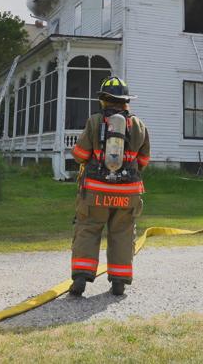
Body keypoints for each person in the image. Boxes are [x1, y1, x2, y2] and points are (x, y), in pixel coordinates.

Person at [69, 76, 151, 296]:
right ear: (126, 101)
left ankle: (80, 279)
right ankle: (118, 282)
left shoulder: (94, 121)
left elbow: (80, 155)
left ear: (104, 100)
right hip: (127, 193)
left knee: (87, 229)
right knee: (122, 233)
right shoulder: (139, 125)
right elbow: (143, 162)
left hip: (95, 192)